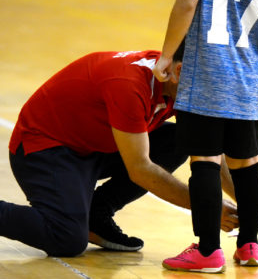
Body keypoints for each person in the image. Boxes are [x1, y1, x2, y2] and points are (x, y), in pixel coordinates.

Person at [0, 41, 239, 257]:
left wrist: (245, 200)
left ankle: (97, 213)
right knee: (66, 238)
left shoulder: (177, 81)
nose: (210, 99)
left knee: (180, 140)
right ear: (178, 72)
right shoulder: (129, 85)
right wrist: (206, 206)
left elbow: (209, 147)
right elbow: (140, 169)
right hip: (46, 150)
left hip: (97, 144)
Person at [153, 0, 258, 273]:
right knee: (247, 164)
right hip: (247, 82)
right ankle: (249, 245)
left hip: (203, 78)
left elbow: (186, 3)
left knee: (205, 161)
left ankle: (207, 250)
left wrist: (167, 54)